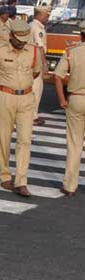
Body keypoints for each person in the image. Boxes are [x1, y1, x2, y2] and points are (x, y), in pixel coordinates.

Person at [0, 19, 40, 198]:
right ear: (11, 36)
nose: (21, 42)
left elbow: (36, 72)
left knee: (25, 140)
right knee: (3, 136)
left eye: (24, 38)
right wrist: (4, 86)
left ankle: (21, 181)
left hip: (26, 97)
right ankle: (5, 174)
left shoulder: (33, 51)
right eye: (18, 38)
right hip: (6, 96)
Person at [53, 22, 85, 196]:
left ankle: (70, 186)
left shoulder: (71, 52)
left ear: (80, 35)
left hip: (76, 99)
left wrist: (62, 99)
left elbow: (57, 76)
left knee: (74, 144)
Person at [30, 7, 48, 126]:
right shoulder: (37, 28)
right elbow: (39, 46)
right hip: (37, 60)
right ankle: (33, 116)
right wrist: (45, 64)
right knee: (36, 89)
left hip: (32, 59)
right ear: (39, 15)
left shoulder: (31, 25)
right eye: (46, 15)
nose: (47, 18)